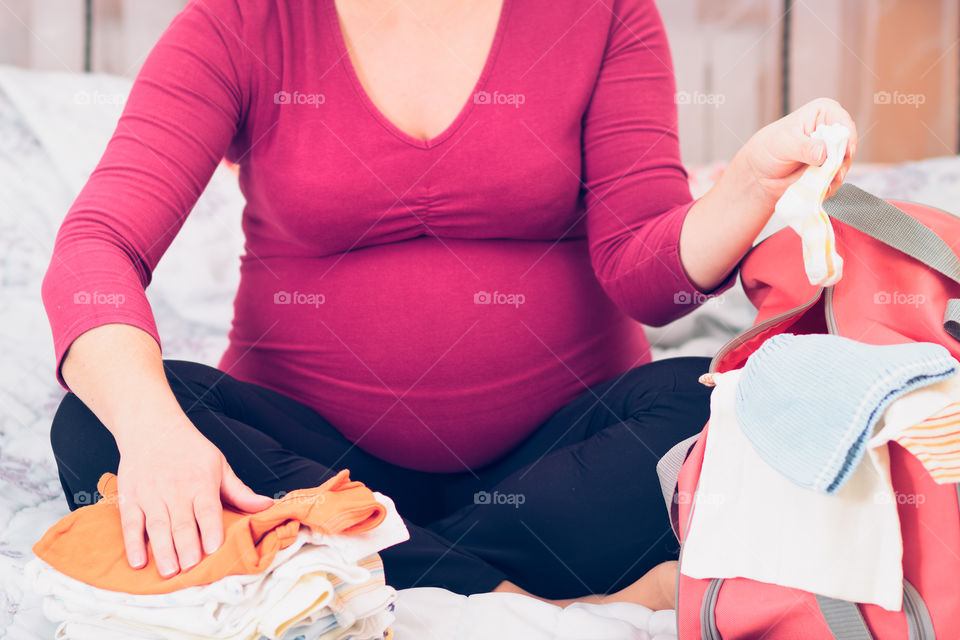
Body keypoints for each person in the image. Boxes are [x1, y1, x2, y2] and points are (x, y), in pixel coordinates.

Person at [42, 0, 856, 611]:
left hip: (557, 462)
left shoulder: (603, 12)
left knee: (734, 403)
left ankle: (374, 567)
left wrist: (749, 182)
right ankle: (528, 601)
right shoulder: (241, 23)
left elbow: (651, 284)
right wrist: (154, 434)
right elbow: (96, 248)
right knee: (98, 421)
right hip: (306, 470)